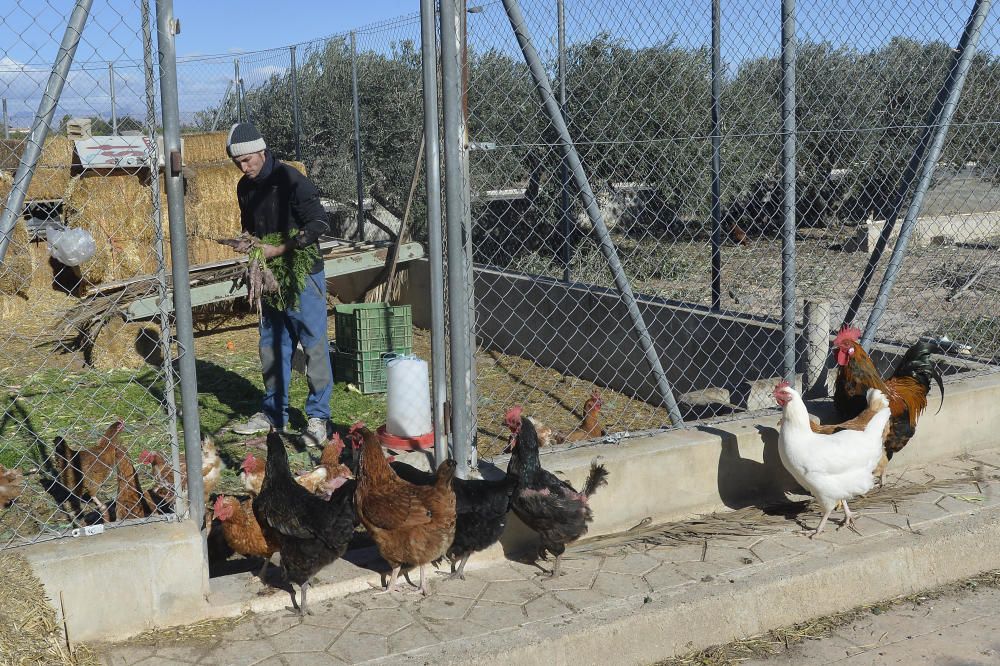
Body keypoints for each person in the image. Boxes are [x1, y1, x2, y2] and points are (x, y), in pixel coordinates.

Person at [227, 122, 332, 447]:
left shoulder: (292, 180)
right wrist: (249, 244)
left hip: (302, 273)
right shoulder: (245, 187)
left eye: (248, 160)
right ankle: (274, 412)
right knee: (272, 343)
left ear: (261, 150)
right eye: (238, 163)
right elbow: (251, 226)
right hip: (270, 276)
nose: (244, 168)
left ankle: (318, 418)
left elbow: (318, 223)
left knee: (313, 343)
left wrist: (280, 248)